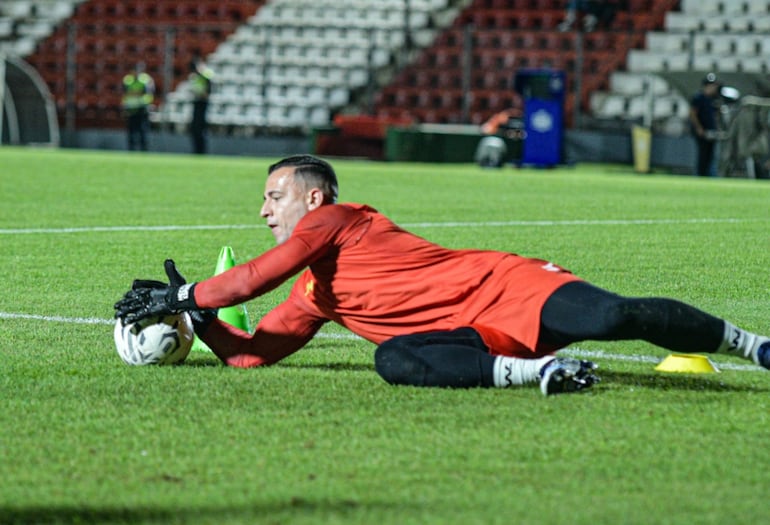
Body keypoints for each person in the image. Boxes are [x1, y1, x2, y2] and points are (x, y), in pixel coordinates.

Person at [114, 155, 770, 395]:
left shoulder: (336, 218)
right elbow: (254, 354)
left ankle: (753, 345)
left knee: (612, 317)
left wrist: (183, 295)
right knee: (395, 360)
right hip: (478, 340)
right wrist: (201, 323)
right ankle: (541, 375)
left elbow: (252, 280)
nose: (263, 210)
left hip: (507, 286)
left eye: (273, 196)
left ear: (313, 199)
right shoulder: (315, 295)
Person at [689, 73, 722, 177]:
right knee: (703, 155)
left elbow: (716, 116)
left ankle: (707, 175)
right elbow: (693, 114)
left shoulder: (714, 99)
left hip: (711, 132)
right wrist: (699, 128)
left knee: (710, 155)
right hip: (702, 132)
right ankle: (700, 175)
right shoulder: (699, 97)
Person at [121, 62, 154, 151]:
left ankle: (144, 150)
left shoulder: (145, 80)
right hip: (131, 109)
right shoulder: (127, 80)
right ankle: (131, 150)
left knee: (143, 131)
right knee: (131, 131)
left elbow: (148, 94)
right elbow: (124, 94)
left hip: (142, 109)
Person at [188, 55, 214, 155]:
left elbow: (208, 92)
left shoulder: (206, 75)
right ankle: (196, 150)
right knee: (195, 128)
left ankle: (202, 151)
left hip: (203, 103)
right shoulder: (195, 77)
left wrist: (200, 93)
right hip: (196, 102)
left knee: (201, 128)